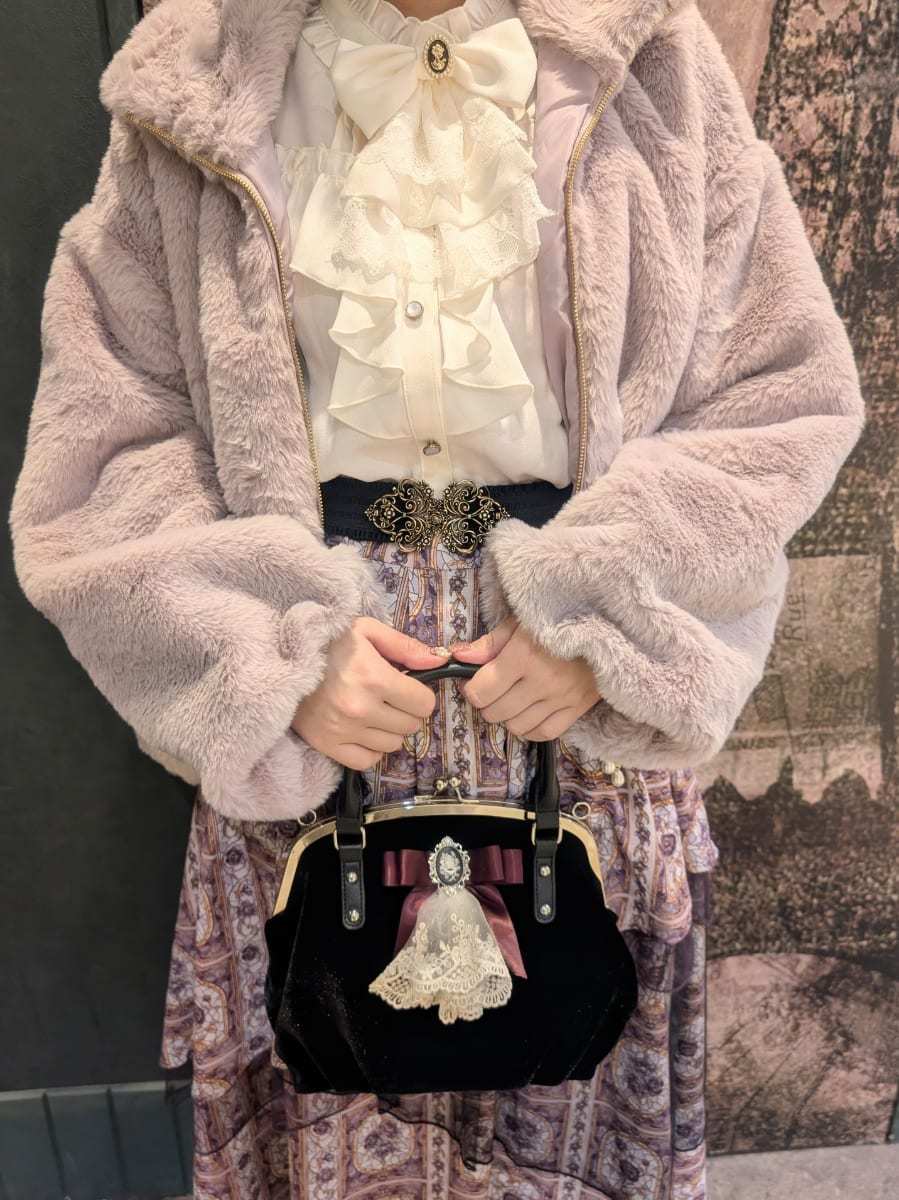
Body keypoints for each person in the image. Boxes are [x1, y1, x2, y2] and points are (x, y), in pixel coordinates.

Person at [9, 0, 864, 1196]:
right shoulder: (194, 81)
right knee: (327, 1078)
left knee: (571, 1082)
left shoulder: (646, 58)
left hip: (576, 709)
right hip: (315, 720)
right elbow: (109, 438)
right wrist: (262, 652)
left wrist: (609, 618)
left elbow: (776, 390)